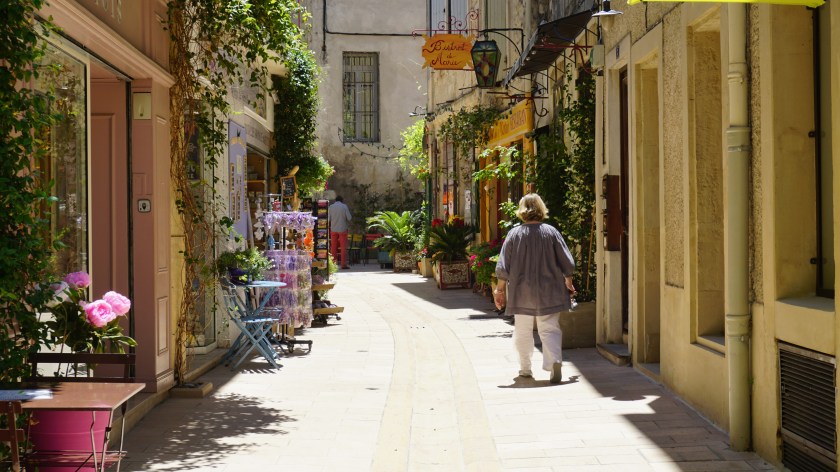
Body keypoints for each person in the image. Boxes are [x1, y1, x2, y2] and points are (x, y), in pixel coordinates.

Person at [494, 193, 576, 384]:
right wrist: (569, 282)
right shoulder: (551, 232)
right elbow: (567, 262)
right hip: (550, 289)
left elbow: (503, 266)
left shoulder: (514, 234)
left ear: (521, 211)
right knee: (550, 327)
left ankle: (525, 368)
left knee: (522, 329)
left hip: (521, 290)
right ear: (541, 209)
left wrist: (499, 290)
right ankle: (554, 361)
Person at [328, 195, 353, 269]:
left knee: (333, 247)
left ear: (335, 200)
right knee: (343, 247)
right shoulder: (344, 206)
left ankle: (333, 264)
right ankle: (343, 264)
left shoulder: (331, 207)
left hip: (333, 229)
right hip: (343, 229)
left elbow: (328, 219)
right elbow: (349, 218)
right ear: (342, 200)